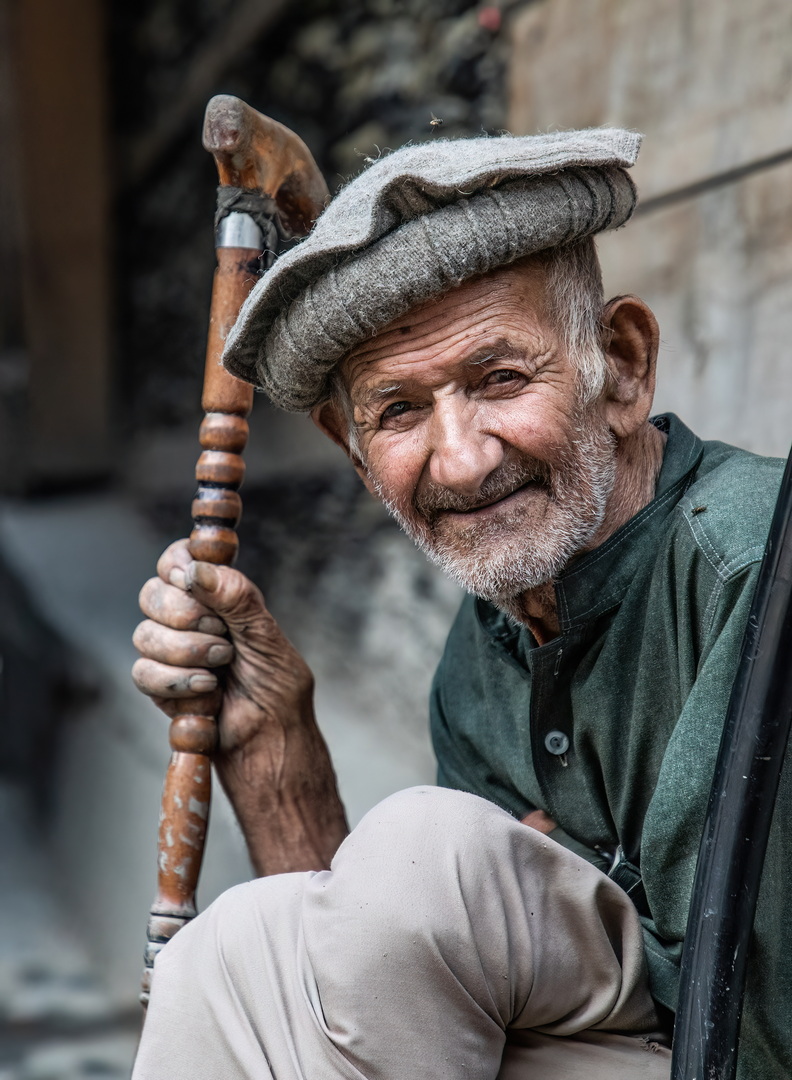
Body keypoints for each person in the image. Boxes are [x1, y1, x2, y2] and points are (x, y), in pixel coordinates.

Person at [131, 131, 789, 1079]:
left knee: (424, 855)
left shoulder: (756, 580)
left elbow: (752, 1041)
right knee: (241, 948)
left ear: (621, 365)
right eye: (399, 411)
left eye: (501, 380)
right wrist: (276, 755)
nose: (465, 457)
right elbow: (377, 1008)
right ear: (359, 459)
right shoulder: (488, 649)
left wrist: (535, 893)